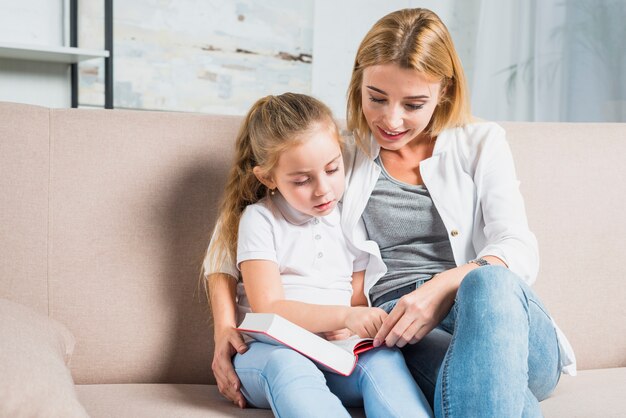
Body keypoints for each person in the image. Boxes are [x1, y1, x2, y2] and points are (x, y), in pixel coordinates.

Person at [204, 8, 576, 417]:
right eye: (376, 98)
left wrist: (440, 289)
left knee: (489, 282)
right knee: (499, 399)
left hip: (501, 326)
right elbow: (237, 224)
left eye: (414, 104)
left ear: (444, 92)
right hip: (403, 331)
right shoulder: (339, 154)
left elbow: (518, 246)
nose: (391, 120)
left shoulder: (481, 143)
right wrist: (225, 325)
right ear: (358, 83)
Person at [205, 92, 433, 417]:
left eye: (332, 169)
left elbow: (357, 297)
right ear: (268, 178)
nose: (323, 189)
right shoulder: (260, 219)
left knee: (384, 360)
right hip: (268, 352)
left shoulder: (349, 217)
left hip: (335, 353)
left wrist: (354, 324)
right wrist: (341, 316)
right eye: (302, 180)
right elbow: (267, 307)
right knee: (288, 364)